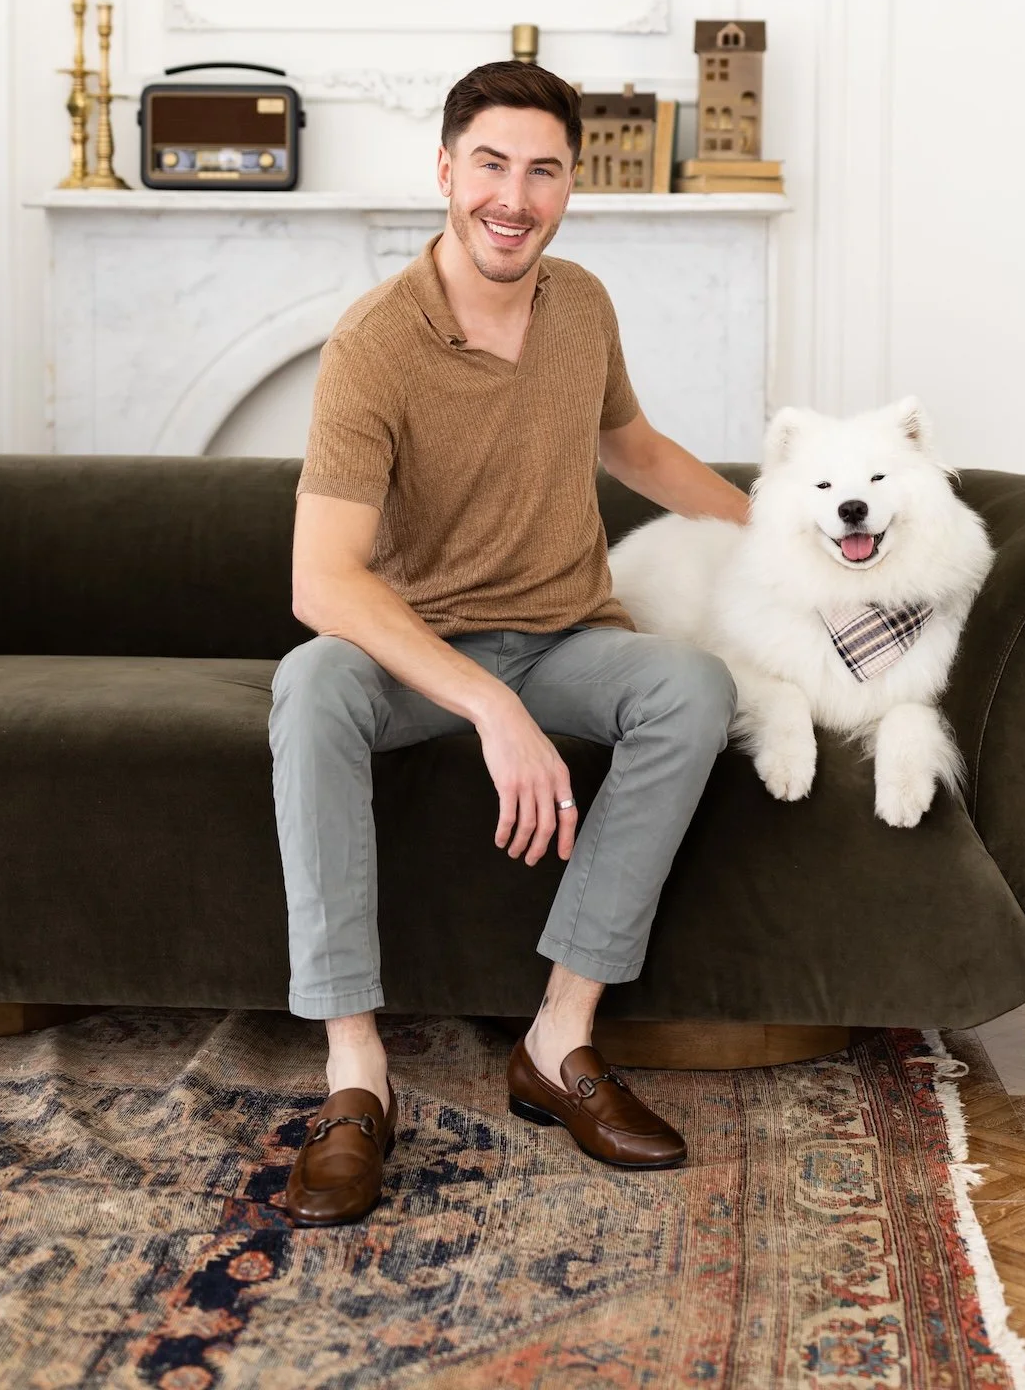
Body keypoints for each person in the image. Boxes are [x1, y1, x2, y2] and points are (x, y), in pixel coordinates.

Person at [269, 60, 749, 1225]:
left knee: (691, 685)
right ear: (446, 169)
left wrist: (786, 534)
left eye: (543, 171)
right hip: (421, 655)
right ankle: (355, 1070)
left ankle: (557, 1037)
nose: (514, 196)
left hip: (568, 635)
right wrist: (491, 706)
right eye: (491, 163)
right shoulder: (375, 340)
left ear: (570, 185)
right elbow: (321, 579)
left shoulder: (580, 304)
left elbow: (634, 447)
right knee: (312, 681)